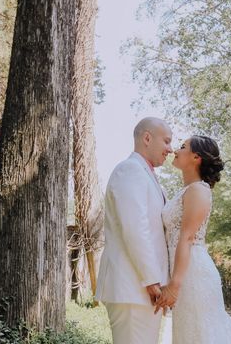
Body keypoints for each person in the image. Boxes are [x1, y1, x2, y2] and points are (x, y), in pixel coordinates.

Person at [157, 135, 231, 343]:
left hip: (193, 275)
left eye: (182, 147)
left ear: (196, 157)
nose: (176, 150)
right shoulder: (185, 191)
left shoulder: (198, 190)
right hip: (185, 273)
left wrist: (174, 286)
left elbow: (187, 238)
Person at [95, 117, 173, 344]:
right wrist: (152, 280)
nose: (170, 149)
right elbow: (135, 228)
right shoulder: (129, 170)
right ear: (147, 138)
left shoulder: (148, 175)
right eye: (166, 141)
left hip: (143, 290)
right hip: (132, 287)